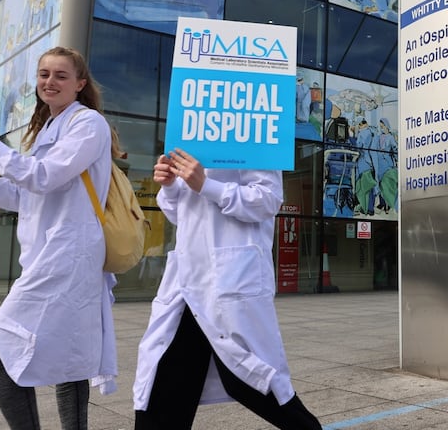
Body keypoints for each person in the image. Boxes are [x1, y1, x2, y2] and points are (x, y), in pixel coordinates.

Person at [133, 149, 319, 429]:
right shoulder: (191, 135)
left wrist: (206, 185)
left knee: (254, 383)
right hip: (185, 285)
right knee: (161, 390)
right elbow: (180, 214)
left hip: (229, 280)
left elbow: (267, 200)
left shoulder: (256, 128)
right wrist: (170, 186)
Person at [0, 46, 117, 429]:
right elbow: (23, 195)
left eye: (60, 75)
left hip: (69, 256)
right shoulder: (46, 130)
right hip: (50, 257)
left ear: (80, 84)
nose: (50, 82)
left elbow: (44, 176)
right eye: (44, 74)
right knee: (70, 358)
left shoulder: (88, 124)